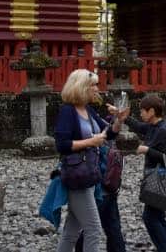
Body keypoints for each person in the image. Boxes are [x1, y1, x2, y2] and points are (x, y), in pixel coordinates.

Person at [54, 69, 128, 252]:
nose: (97, 88)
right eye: (93, 85)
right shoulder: (68, 112)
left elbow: (109, 133)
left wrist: (118, 120)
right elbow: (61, 144)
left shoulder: (88, 110)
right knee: (93, 229)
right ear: (81, 87)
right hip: (77, 175)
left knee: (72, 230)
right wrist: (91, 142)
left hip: (89, 175)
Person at [124, 94, 166, 251]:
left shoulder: (163, 131)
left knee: (150, 217)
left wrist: (147, 150)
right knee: (158, 216)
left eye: (143, 111)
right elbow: (139, 127)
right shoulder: (154, 127)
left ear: (152, 111)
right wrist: (123, 117)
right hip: (154, 176)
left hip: (160, 177)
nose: (141, 114)